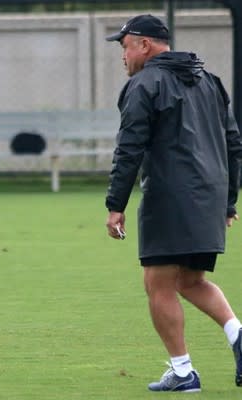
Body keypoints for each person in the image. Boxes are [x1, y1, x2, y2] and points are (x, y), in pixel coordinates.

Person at [104, 14, 242, 392]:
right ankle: (238, 334)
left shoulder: (144, 83)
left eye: (125, 45)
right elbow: (234, 144)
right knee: (190, 279)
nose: (123, 54)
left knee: (158, 283)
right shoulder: (210, 81)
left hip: (170, 196)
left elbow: (129, 147)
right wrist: (228, 201)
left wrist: (115, 204)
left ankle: (183, 373)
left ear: (144, 45)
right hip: (210, 195)